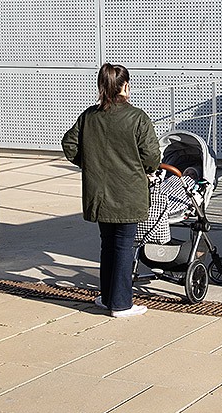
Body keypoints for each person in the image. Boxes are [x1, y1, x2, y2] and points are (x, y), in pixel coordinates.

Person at [62, 64, 161, 318]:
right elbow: (151, 157)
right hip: (128, 192)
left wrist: (89, 163)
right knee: (123, 247)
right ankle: (120, 303)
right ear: (125, 86)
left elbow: (69, 144)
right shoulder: (137, 117)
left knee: (108, 245)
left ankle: (107, 297)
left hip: (99, 194)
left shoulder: (89, 116)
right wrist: (143, 168)